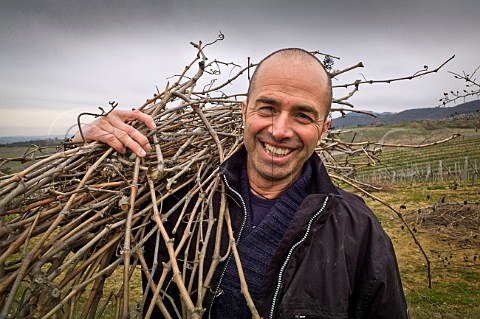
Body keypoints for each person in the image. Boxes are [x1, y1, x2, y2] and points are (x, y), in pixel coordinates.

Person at [72, 48, 409, 318]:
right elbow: (81, 235)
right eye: (267, 108)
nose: (279, 130)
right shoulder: (175, 199)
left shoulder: (357, 230)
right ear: (245, 112)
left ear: (323, 130)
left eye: (303, 116)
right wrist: (84, 147)